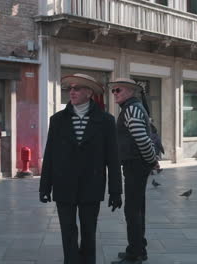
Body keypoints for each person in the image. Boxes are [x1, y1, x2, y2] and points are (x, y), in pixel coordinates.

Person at [39, 73, 122, 264]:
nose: (72, 92)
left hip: (91, 184)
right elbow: (50, 154)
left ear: (89, 93)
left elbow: (113, 159)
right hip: (63, 184)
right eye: (70, 89)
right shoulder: (57, 120)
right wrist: (44, 186)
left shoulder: (106, 121)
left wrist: (116, 191)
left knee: (88, 232)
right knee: (67, 232)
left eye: (77, 88)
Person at [109, 78, 159, 264]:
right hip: (137, 164)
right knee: (137, 209)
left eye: (118, 90)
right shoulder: (133, 108)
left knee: (132, 210)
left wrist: (152, 160)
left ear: (130, 91)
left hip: (135, 165)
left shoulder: (131, 109)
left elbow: (142, 139)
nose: (114, 93)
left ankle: (135, 253)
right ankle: (137, 248)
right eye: (113, 90)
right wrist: (152, 161)